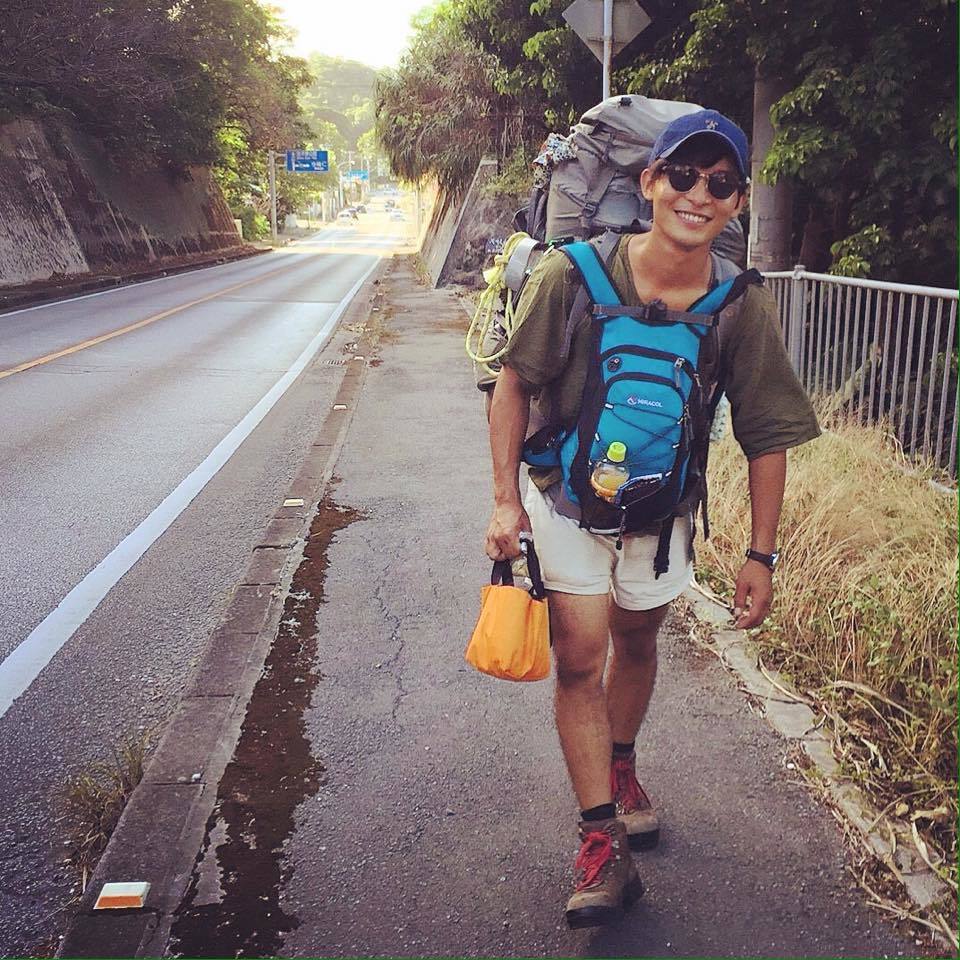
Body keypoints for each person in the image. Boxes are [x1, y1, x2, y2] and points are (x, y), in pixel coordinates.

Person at [484, 109, 820, 928]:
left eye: (720, 182)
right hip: (565, 498)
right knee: (579, 657)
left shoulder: (738, 304)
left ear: (737, 201)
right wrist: (503, 499)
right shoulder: (573, 275)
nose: (698, 194)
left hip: (663, 513)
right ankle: (602, 842)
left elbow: (768, 432)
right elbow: (514, 384)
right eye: (682, 175)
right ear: (649, 183)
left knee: (636, 640)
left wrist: (762, 554)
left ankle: (621, 764)